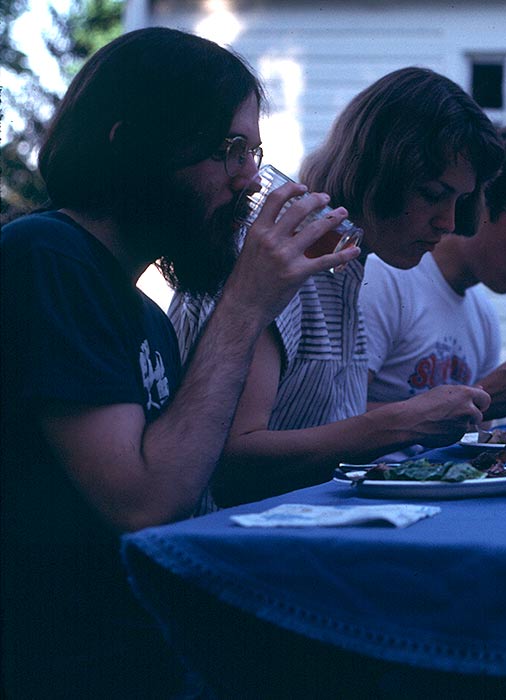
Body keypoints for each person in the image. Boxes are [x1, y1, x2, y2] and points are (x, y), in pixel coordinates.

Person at [0, 28, 359, 697]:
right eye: (230, 149)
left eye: (254, 152)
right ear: (133, 141)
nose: (250, 178)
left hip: (153, 656)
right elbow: (143, 505)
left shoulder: (141, 316)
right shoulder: (43, 258)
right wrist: (248, 302)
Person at [171, 67, 505, 507]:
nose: (447, 223)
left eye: (459, 202)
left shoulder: (347, 270)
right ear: (378, 170)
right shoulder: (281, 254)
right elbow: (231, 463)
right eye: (431, 194)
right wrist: (402, 424)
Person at [361, 125, 506, 437]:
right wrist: (481, 395)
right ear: (482, 204)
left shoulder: (482, 315)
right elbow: (332, 418)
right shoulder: (385, 280)